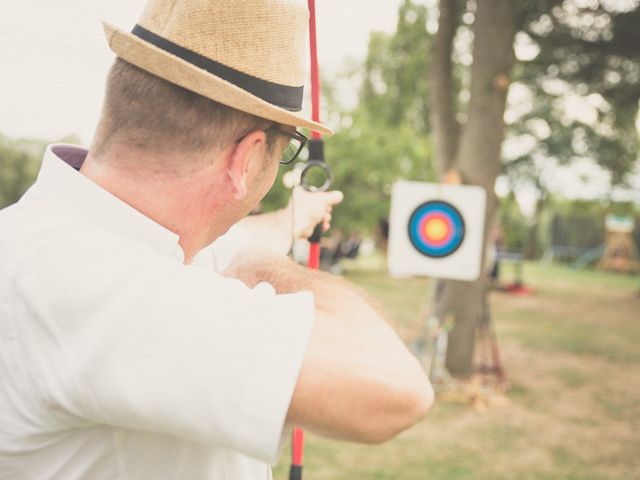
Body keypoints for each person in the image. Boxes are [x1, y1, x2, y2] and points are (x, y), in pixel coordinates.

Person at [0, 1, 433, 479]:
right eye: (284, 151)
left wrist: (293, 217)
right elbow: (396, 388)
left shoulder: (49, 242)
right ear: (246, 159)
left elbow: (228, 239)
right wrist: (261, 267)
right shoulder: (114, 290)